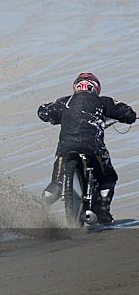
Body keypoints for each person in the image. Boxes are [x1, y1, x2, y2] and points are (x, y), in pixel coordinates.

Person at [38, 72, 135, 224]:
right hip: (93, 147)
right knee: (108, 176)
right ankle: (103, 211)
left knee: (57, 183)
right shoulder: (103, 101)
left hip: (65, 148)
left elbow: (43, 112)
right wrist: (129, 117)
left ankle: (39, 211)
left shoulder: (65, 102)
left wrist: (56, 118)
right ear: (96, 88)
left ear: (75, 87)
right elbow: (126, 112)